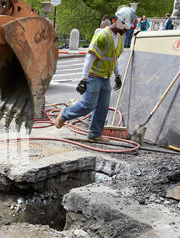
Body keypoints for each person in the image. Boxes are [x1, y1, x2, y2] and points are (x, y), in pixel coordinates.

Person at [55, 6, 136, 142]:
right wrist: (84, 79)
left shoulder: (120, 39)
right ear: (117, 21)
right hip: (93, 76)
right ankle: (65, 114)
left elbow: (113, 58)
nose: (127, 29)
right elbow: (90, 57)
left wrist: (117, 76)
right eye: (125, 26)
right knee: (88, 105)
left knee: (102, 107)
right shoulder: (103, 35)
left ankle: (94, 134)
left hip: (105, 77)